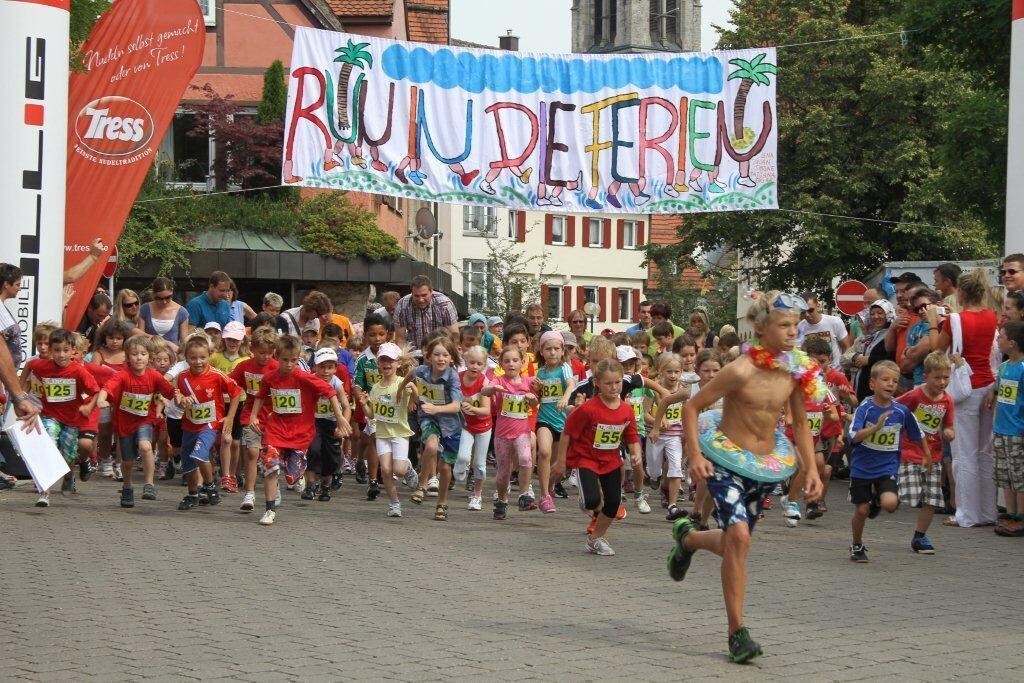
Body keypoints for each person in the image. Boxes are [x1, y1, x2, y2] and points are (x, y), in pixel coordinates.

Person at [665, 291, 824, 664]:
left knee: (737, 543)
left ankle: (688, 540)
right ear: (760, 327)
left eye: (795, 326)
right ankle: (738, 634)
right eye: (784, 325)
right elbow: (692, 407)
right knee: (737, 536)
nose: (792, 333)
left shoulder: (794, 371)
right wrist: (696, 455)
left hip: (764, 466)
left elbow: (800, 422)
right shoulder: (739, 370)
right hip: (726, 463)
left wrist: (811, 468)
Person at [925, 268, 999, 528]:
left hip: (964, 389)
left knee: (963, 455)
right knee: (984, 453)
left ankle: (967, 514)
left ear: (961, 291)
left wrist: (933, 321)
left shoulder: (956, 320)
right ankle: (989, 511)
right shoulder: (993, 317)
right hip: (987, 385)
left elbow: (936, 348)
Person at [249, 335, 346, 526]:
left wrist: (340, 417)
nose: (289, 364)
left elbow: (330, 392)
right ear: (277, 357)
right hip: (275, 429)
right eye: (284, 360)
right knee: (271, 467)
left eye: (293, 360)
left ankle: (296, 477)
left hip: (300, 433)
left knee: (292, 478)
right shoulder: (270, 377)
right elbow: (260, 396)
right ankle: (269, 510)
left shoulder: (305, 377)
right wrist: (254, 415)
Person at [557, 359, 643, 556]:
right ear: (597, 383)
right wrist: (561, 461)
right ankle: (588, 500)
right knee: (592, 500)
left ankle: (596, 538)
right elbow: (567, 432)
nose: (614, 387)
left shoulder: (626, 410)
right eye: (608, 383)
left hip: (611, 461)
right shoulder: (588, 409)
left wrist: (636, 453)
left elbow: (631, 436)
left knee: (613, 504)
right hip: (586, 458)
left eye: (618, 382)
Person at [848, 360, 926, 562]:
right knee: (862, 510)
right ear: (873, 383)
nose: (890, 384)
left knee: (890, 504)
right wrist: (875, 428)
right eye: (885, 380)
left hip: (887, 465)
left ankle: (878, 498)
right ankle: (857, 545)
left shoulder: (901, 411)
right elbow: (854, 436)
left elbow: (918, 433)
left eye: (895, 381)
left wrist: (926, 455)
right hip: (861, 467)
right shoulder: (865, 409)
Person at [86, 334, 175, 508]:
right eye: (134, 354)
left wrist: (180, 398)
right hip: (124, 423)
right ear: (127, 357)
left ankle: (149, 485)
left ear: (149, 356)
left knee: (146, 446)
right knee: (127, 462)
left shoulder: (154, 376)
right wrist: (102, 399)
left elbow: (171, 391)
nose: (139, 357)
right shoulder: (123, 375)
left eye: (143, 354)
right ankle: (127, 487)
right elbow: (107, 387)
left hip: (145, 420)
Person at [25, 328, 99, 506]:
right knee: (49, 446)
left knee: (67, 453)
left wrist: (89, 406)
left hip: (72, 420)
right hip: (50, 416)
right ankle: (44, 492)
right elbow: (29, 366)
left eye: (65, 350)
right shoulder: (42, 366)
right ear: (50, 351)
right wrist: (20, 391)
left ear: (73, 350)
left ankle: (68, 474)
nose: (61, 355)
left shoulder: (78, 372)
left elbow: (96, 391)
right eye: (57, 351)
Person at [895, 352, 955, 553]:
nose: (942, 382)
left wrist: (948, 432)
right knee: (911, 496)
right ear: (926, 376)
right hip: (911, 450)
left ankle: (920, 537)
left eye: (946, 377)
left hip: (933, 454)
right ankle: (885, 492)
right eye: (937, 377)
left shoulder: (947, 401)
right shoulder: (915, 395)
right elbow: (896, 408)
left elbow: (948, 425)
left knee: (932, 498)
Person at [174, 334, 241, 511]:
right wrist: (181, 400)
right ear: (186, 358)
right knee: (188, 462)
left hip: (210, 424)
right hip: (189, 425)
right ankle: (193, 494)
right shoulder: (182, 377)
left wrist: (230, 417)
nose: (198, 362)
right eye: (193, 358)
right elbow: (178, 398)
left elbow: (236, 393)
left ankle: (210, 486)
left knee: (199, 454)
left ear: (209, 356)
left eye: (202, 357)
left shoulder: (217, 375)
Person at [402, 335, 463, 519]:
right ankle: (422, 485)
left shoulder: (453, 377)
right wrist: (400, 391)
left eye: (445, 355)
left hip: (451, 425)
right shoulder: (422, 371)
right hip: (428, 418)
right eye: (437, 355)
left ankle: (442, 503)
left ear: (451, 357)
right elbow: (410, 374)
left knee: (445, 468)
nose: (441, 359)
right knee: (431, 446)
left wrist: (436, 408)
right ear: (429, 356)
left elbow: (456, 405)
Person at [355, 342, 418, 518]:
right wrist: (364, 404)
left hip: (399, 433)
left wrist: (412, 391)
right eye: (383, 360)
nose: (386, 364)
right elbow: (372, 414)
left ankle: (408, 467)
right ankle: (394, 504)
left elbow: (417, 399)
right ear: (378, 364)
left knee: (398, 470)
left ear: (398, 363)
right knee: (386, 470)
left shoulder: (401, 383)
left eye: (390, 360)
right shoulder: (375, 387)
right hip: (382, 434)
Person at [229, 327, 279, 512]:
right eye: (261, 353)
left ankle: (274, 485)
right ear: (252, 349)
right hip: (250, 414)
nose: (265, 357)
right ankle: (249, 493)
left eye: (269, 353)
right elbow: (231, 383)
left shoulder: (276, 367)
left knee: (270, 456)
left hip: (273, 417)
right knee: (251, 452)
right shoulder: (244, 367)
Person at [531, 331, 576, 513]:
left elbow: (571, 384)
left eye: (556, 349)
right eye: (548, 349)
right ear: (541, 351)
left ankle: (549, 488)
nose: (552, 352)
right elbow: (538, 397)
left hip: (563, 422)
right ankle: (544, 495)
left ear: (562, 350)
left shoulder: (564, 367)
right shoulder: (540, 372)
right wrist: (536, 392)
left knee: (557, 466)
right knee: (544, 452)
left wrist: (565, 397)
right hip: (545, 419)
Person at [302, 347, 352, 502]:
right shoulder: (310, 380)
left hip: (331, 423)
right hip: (313, 422)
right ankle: (310, 486)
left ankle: (325, 486)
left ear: (335, 368)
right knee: (314, 451)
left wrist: (342, 425)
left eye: (329, 367)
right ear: (315, 367)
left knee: (330, 457)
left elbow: (346, 406)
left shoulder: (337, 384)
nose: (325, 371)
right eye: (322, 367)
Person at [990, 321, 1024, 536]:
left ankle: (1021, 516)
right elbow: (998, 390)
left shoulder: (1022, 368)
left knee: (1019, 476)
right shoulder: (1004, 367)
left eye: (1001, 337)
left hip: (1017, 431)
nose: (998, 340)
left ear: (1012, 343)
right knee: (1004, 475)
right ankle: (1010, 514)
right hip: (1000, 429)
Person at [455, 346, 492, 511]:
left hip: (483, 426)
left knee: (480, 464)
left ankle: (477, 495)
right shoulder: (457, 378)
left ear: (484, 366)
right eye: (472, 362)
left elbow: (486, 410)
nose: (475, 366)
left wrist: (472, 409)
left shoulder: (485, 383)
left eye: (479, 363)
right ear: (465, 362)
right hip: (466, 425)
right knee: (463, 457)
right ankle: (460, 468)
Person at [841, 300, 895, 401]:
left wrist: (869, 360)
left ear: (888, 313)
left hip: (878, 390)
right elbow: (843, 359)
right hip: (864, 388)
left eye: (880, 313)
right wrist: (857, 358)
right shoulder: (874, 335)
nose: (875, 316)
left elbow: (891, 357)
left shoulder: (891, 334)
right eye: (872, 314)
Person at [393, 276, 459, 349]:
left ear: (431, 291)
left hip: (440, 351)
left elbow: (454, 335)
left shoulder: (445, 304)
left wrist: (453, 356)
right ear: (412, 293)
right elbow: (400, 339)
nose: (421, 300)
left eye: (424, 295)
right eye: (416, 296)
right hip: (414, 352)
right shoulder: (402, 305)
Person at [796, 292, 851, 368]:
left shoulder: (835, 322)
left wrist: (843, 369)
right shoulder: (800, 326)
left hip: (835, 372)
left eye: (810, 310)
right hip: (812, 375)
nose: (807, 315)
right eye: (803, 312)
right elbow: (800, 353)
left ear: (818, 306)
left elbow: (846, 347)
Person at [140, 277, 190, 352]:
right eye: (159, 298)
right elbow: (140, 338)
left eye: (168, 297)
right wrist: (165, 342)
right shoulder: (145, 308)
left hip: (172, 356)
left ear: (172, 291)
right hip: (150, 355)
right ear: (153, 294)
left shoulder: (182, 312)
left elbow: (183, 344)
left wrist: (178, 351)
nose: (164, 302)